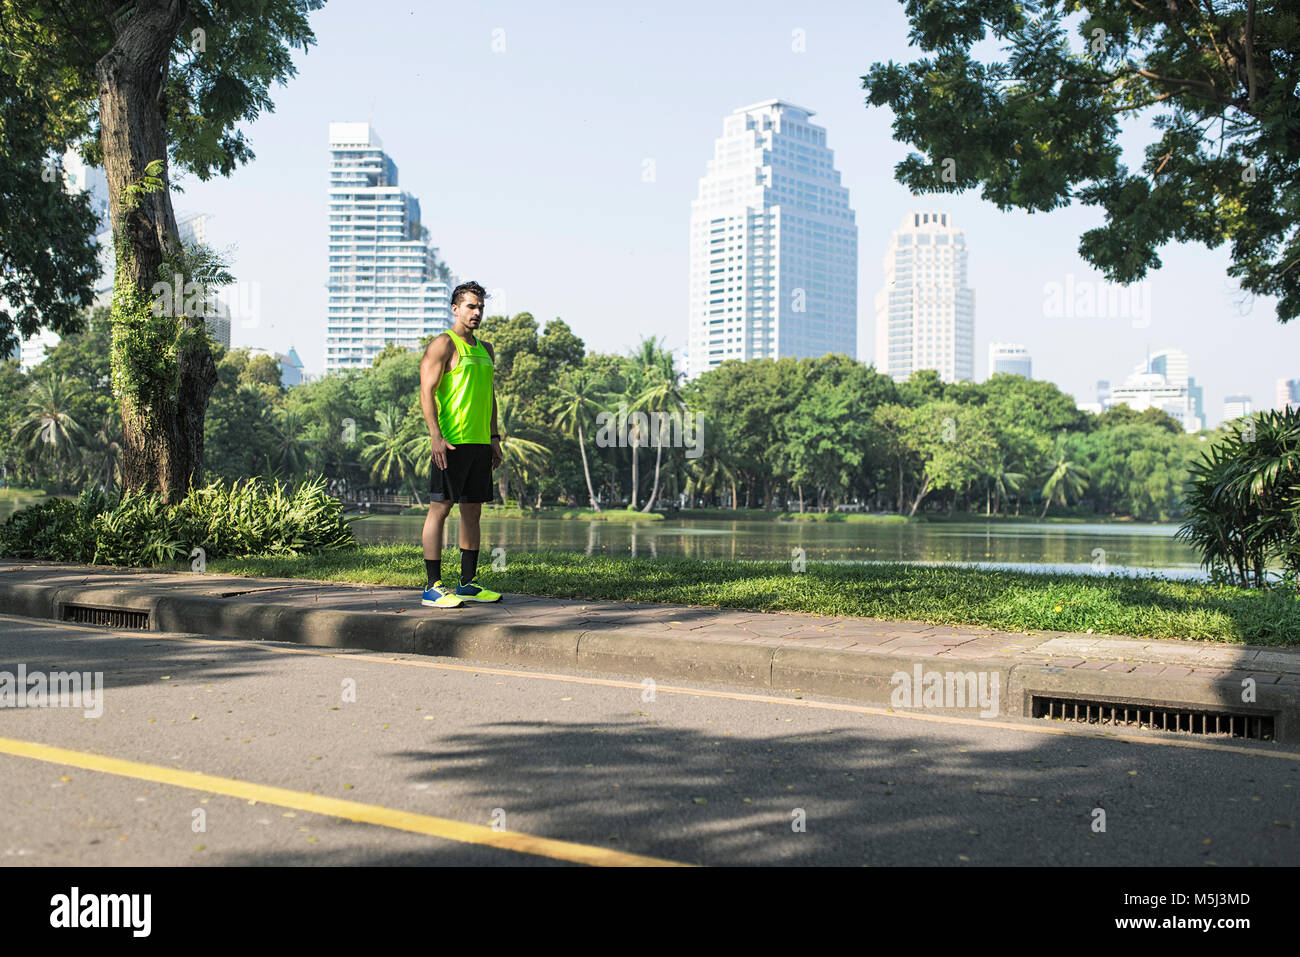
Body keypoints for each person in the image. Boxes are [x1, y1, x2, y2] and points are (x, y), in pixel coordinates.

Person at [418, 281, 504, 608]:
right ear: (455, 308)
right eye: (470, 306)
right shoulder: (443, 345)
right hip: (451, 442)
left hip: (480, 444)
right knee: (440, 509)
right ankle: (432, 586)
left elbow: (489, 397)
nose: (477, 312)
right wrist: (435, 436)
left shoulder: (486, 349)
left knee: (472, 512)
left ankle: (468, 583)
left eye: (480, 307)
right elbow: (426, 391)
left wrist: (494, 438)